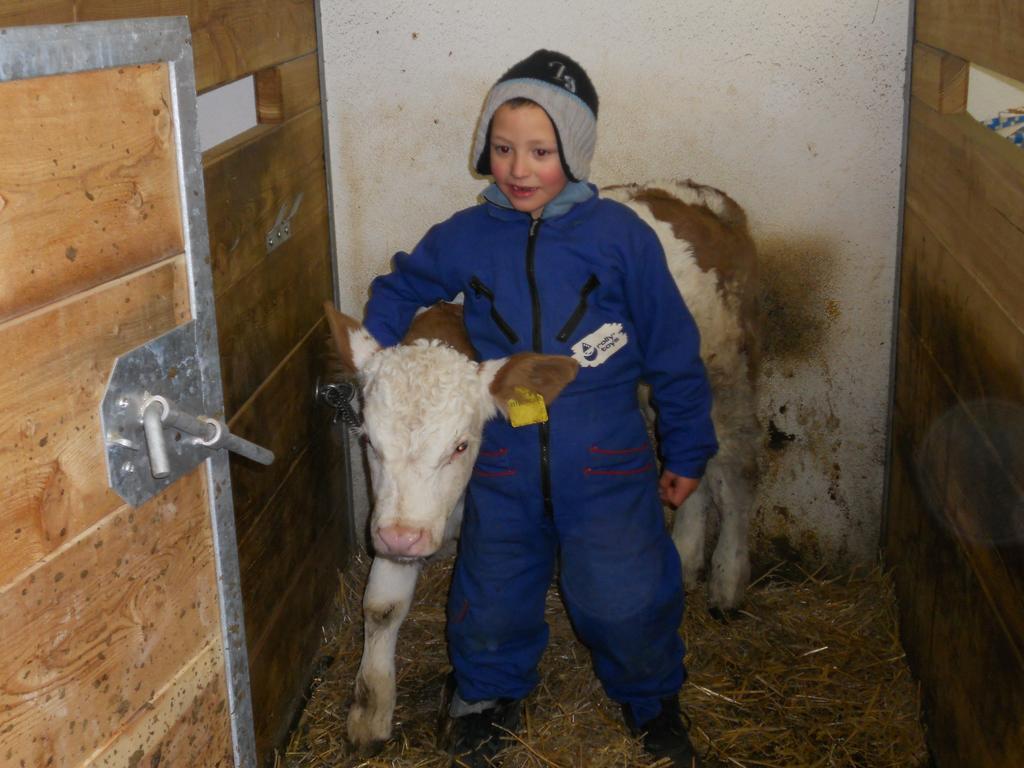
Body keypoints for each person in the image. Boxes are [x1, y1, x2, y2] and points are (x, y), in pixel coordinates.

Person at [362, 49, 717, 768]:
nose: (519, 169)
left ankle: (651, 698)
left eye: (541, 151)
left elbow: (674, 349)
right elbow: (402, 284)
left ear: (574, 154)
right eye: (503, 149)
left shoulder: (620, 238)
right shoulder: (466, 234)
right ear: (484, 149)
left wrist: (685, 450)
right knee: (493, 587)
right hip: (502, 457)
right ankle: (488, 695)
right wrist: (381, 357)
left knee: (627, 590)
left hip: (607, 457)